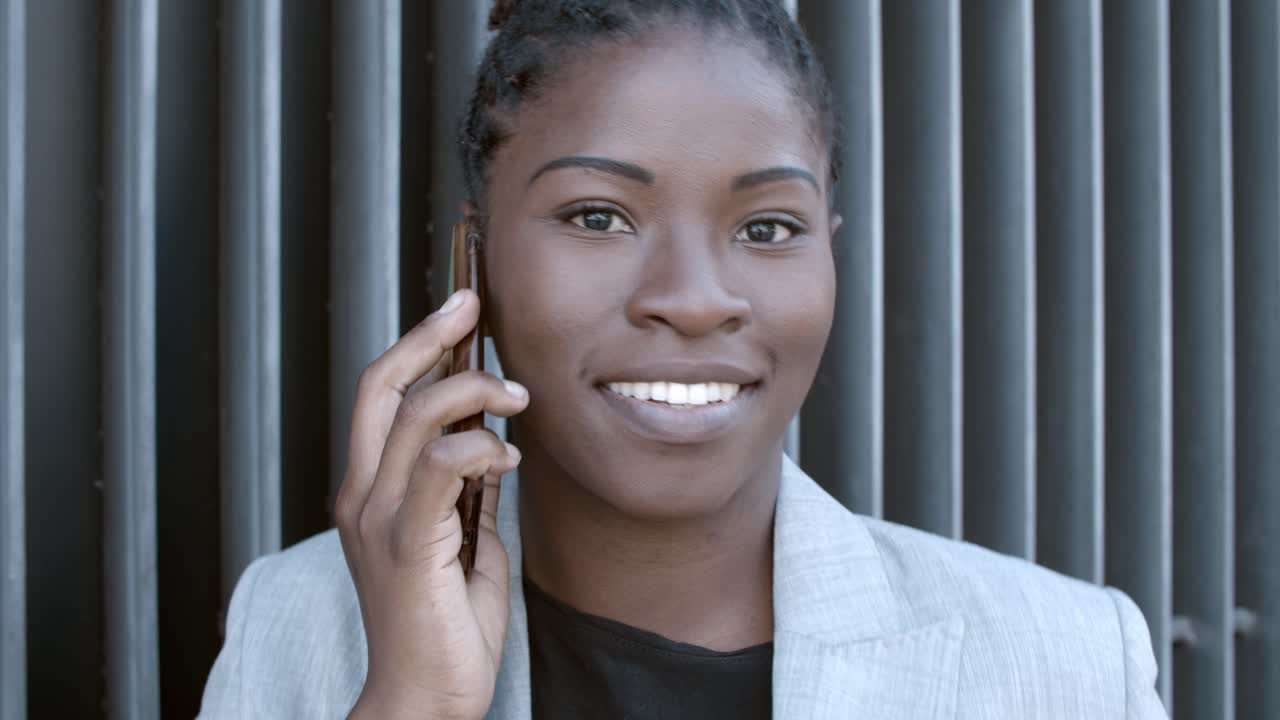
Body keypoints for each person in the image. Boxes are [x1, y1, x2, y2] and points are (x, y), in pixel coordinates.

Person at [200, 1, 1167, 717]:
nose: (697, 298)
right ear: (476, 261)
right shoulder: (291, 629)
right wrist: (409, 700)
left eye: (768, 226)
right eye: (597, 216)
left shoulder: (1070, 667)